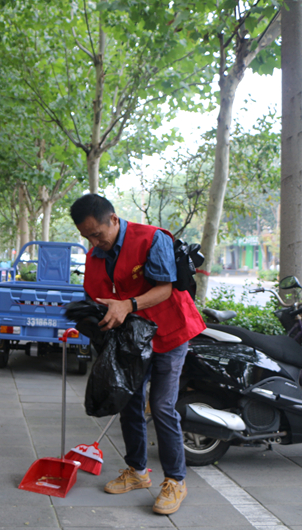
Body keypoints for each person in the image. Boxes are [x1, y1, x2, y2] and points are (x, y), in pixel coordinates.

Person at [70, 193, 206, 515]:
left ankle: (176, 480)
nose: (94, 242)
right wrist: (85, 319)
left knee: (161, 405)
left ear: (113, 220)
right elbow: (97, 297)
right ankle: (137, 471)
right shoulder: (95, 256)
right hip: (133, 339)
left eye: (97, 234)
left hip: (169, 331)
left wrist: (127, 305)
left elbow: (165, 288)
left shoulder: (151, 239)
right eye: (87, 237)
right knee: (129, 400)